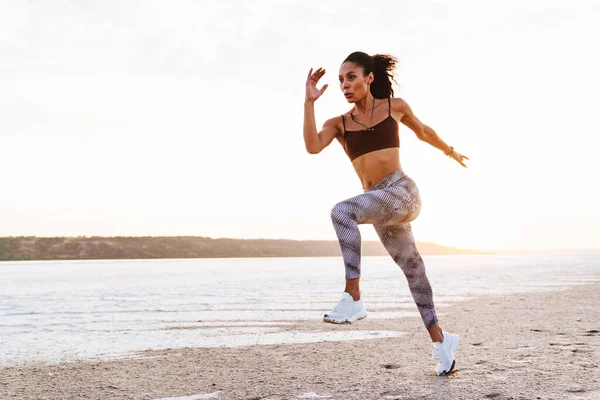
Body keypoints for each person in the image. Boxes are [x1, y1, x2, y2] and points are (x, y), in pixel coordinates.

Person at [302, 51, 468, 376]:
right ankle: (442, 343)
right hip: (378, 203)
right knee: (414, 270)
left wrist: (449, 151)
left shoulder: (395, 107)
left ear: (369, 78)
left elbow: (423, 131)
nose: (344, 85)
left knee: (341, 212)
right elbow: (312, 146)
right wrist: (309, 103)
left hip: (403, 192)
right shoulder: (339, 124)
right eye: (340, 80)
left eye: (351, 77)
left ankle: (353, 296)